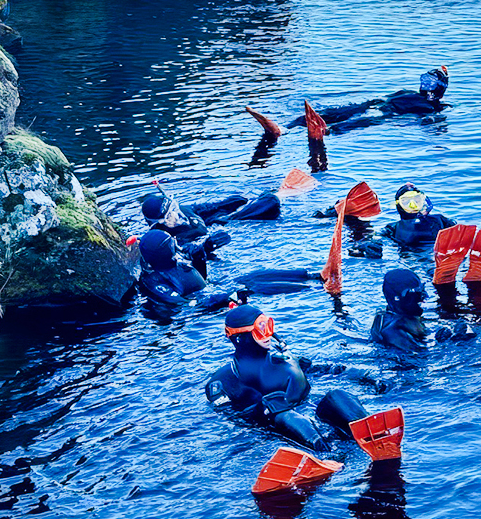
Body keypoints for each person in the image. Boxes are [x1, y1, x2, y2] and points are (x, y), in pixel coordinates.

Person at [205, 304, 388, 452]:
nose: (268, 334)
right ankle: (325, 456)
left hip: (315, 417)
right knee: (285, 416)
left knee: (336, 396)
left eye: (269, 326)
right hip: (282, 434)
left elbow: (330, 369)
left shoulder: (286, 361)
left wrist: (368, 377)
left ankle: (375, 435)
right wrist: (261, 411)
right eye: (261, 329)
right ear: (240, 338)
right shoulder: (222, 384)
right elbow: (233, 422)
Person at [135, 229, 318, 309]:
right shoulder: (154, 281)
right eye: (171, 243)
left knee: (252, 276)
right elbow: (181, 304)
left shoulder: (177, 258)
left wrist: (202, 254)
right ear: (163, 252)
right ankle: (313, 289)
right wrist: (217, 299)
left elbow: (200, 278)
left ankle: (311, 276)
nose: (176, 244)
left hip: (209, 289)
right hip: (203, 303)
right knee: (248, 290)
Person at [283, 67, 452, 134]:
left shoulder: (429, 106)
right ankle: (288, 128)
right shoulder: (424, 103)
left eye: (429, 82)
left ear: (439, 86)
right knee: (332, 115)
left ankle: (320, 130)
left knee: (346, 118)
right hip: (377, 108)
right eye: (424, 80)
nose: (425, 85)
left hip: (378, 109)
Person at [368, 268, 474, 354]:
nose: (425, 297)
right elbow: (423, 359)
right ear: (399, 298)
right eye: (418, 293)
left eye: (423, 290)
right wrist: (450, 343)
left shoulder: (403, 315)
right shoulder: (392, 332)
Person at [140, 185, 279, 244]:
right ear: (159, 223)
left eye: (173, 209)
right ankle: (273, 198)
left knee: (238, 199)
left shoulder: (183, 211)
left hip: (210, 221)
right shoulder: (170, 240)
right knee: (270, 202)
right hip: (226, 226)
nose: (175, 217)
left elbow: (205, 208)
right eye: (168, 217)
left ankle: (272, 195)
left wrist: (230, 203)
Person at [382, 185, 458, 247]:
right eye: (406, 202)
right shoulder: (393, 228)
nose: (413, 206)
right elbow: (379, 239)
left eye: (417, 200)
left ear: (424, 201)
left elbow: (459, 233)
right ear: (399, 205)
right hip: (409, 259)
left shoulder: (440, 220)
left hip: (435, 255)